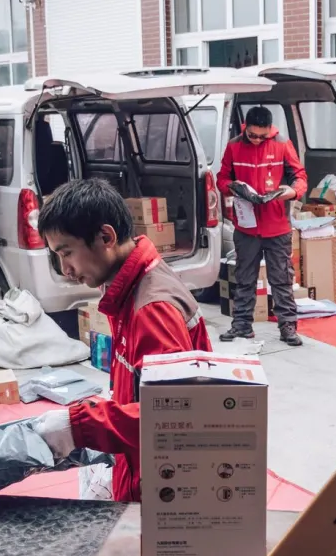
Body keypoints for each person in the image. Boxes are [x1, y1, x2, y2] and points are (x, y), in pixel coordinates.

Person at [34, 180, 211, 503]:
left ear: (106, 237)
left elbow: (173, 417)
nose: (66, 269)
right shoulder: (134, 287)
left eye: (67, 253)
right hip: (141, 464)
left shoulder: (151, 309)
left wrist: (79, 425)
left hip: (162, 485)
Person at [219, 106, 308, 346]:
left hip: (277, 225)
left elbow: (300, 176)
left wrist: (293, 191)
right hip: (246, 226)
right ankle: (241, 325)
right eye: (253, 135)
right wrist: (233, 187)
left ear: (270, 130)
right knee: (244, 276)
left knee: (281, 278)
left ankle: (287, 326)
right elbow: (222, 178)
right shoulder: (234, 146)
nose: (258, 140)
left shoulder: (281, 144)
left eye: (262, 136)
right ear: (245, 128)